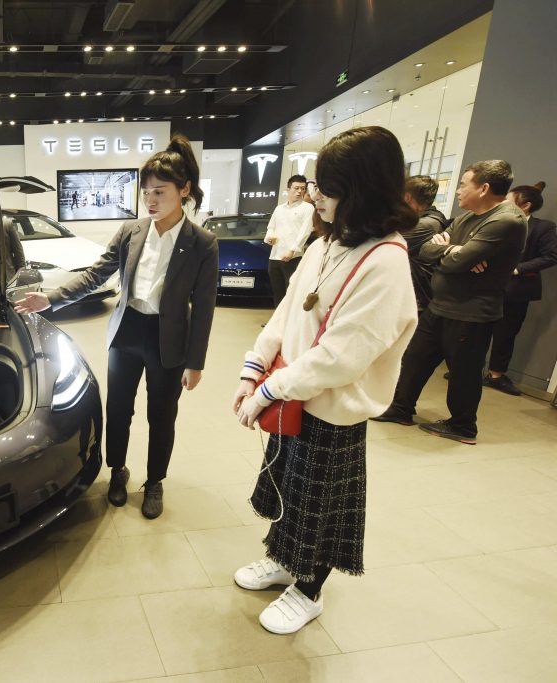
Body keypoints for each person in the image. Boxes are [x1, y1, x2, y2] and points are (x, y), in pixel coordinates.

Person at [231, 126, 418, 635]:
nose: (315, 196)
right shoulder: (328, 242)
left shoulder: (386, 261)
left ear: (361, 190)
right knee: (286, 489)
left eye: (327, 187)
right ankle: (283, 558)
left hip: (331, 410)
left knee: (320, 508)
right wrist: (254, 368)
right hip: (294, 395)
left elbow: (340, 359)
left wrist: (267, 390)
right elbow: (286, 312)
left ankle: (309, 588)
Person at [14, 134, 218, 519]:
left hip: (169, 341)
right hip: (127, 332)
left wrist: (196, 362)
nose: (150, 200)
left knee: (162, 416)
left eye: (160, 192)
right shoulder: (131, 232)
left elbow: (205, 307)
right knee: (119, 410)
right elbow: (95, 275)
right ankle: (118, 471)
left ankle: (154, 481)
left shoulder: (202, 243)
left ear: (184, 190)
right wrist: (51, 298)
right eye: (146, 192)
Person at [373, 160, 527, 443]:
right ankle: (400, 408)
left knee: (463, 373)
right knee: (415, 358)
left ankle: (463, 426)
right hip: (441, 304)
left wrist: (454, 253)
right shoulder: (468, 216)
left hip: (472, 311)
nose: (458, 190)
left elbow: (458, 261)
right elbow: (426, 249)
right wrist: (454, 251)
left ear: (483, 188)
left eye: (463, 184)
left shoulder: (507, 220)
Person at [484, 181, 557, 395]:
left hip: (516, 290)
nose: (503, 204)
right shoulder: (497, 221)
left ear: (525, 205)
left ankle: (496, 376)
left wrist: (518, 269)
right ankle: (467, 369)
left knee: (505, 334)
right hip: (486, 286)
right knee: (476, 331)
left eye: (508, 201)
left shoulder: (543, 227)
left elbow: (552, 255)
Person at [265, 175, 315, 306]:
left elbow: (305, 232)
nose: (299, 191)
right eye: (296, 188)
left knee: (291, 292)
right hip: (275, 256)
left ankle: (289, 318)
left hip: (293, 257)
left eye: (302, 189)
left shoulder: (307, 208)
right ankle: (278, 317)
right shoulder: (279, 208)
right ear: (288, 189)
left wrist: (292, 251)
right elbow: (271, 227)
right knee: (277, 292)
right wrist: (269, 237)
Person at [402, 175, 448, 310]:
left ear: (407, 197)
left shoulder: (428, 224)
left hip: (417, 299)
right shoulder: (428, 220)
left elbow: (381, 240)